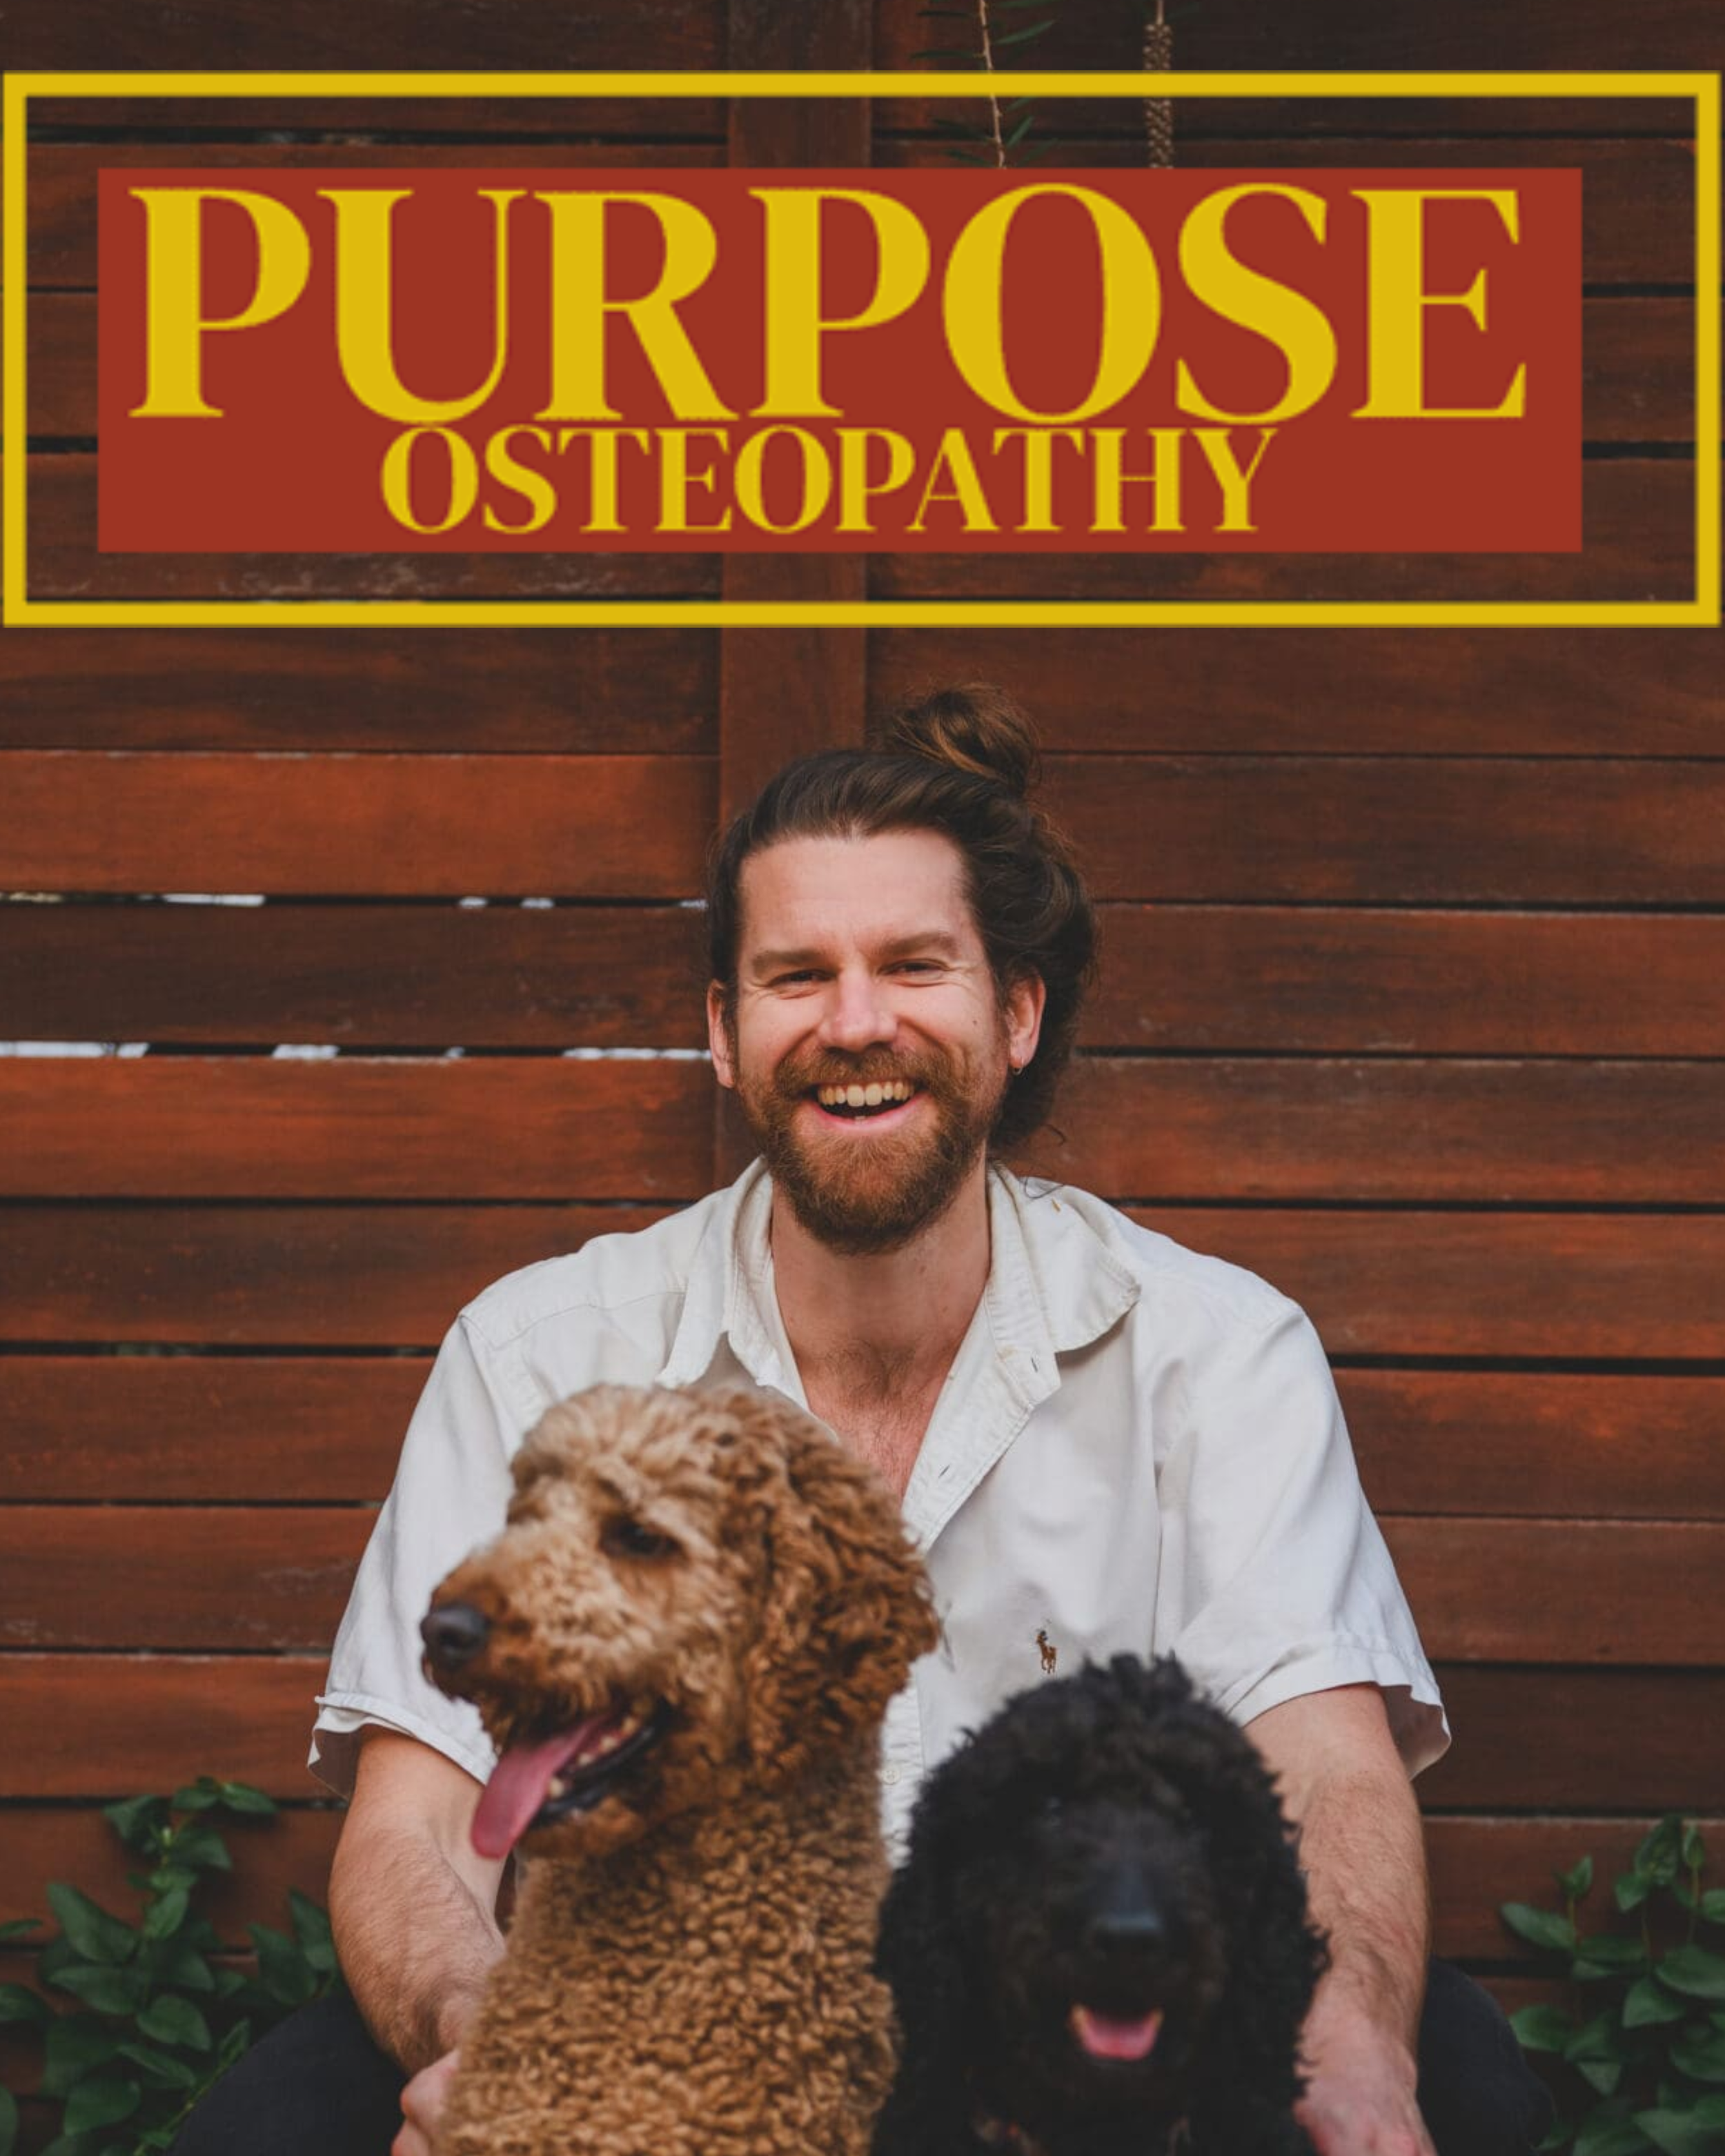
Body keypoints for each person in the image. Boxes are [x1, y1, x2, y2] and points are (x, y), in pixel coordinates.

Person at [172, 686, 1550, 2156]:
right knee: (281, 2121)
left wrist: (1345, 2053)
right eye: (793, 975)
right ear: (721, 1029)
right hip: (650, 1998)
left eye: (911, 963)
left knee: (1450, 2071)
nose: (852, 1023)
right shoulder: (540, 1349)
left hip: (1056, 2015)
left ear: (1013, 1012)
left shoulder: (1215, 1349)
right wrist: (503, 2047)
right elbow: (414, 1825)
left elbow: (1325, 1770)